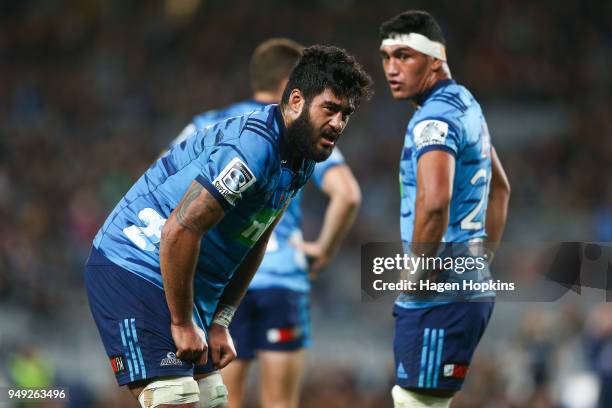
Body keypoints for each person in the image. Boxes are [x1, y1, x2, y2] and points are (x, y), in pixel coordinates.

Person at [85, 45, 372, 408]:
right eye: (330, 109)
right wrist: (182, 322)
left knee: (214, 400)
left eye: (346, 114)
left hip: (180, 278)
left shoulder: (302, 160)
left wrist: (221, 319)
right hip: (133, 266)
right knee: (175, 398)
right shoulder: (254, 148)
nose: (338, 123)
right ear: (296, 100)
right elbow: (181, 228)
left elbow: (256, 237)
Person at [170, 38, 362, 408]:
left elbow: (165, 175)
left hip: (221, 277)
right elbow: (348, 194)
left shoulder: (212, 123)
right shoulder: (305, 130)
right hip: (282, 279)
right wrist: (322, 250)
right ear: (294, 88)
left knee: (223, 400)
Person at [378, 10, 511, 408]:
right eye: (386, 57)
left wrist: (415, 275)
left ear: (434, 58)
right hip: (463, 287)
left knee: (412, 401)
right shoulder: (466, 105)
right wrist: (477, 262)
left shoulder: (434, 118)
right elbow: (501, 189)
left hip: (438, 293)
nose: (391, 68)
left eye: (404, 55)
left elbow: (434, 203)